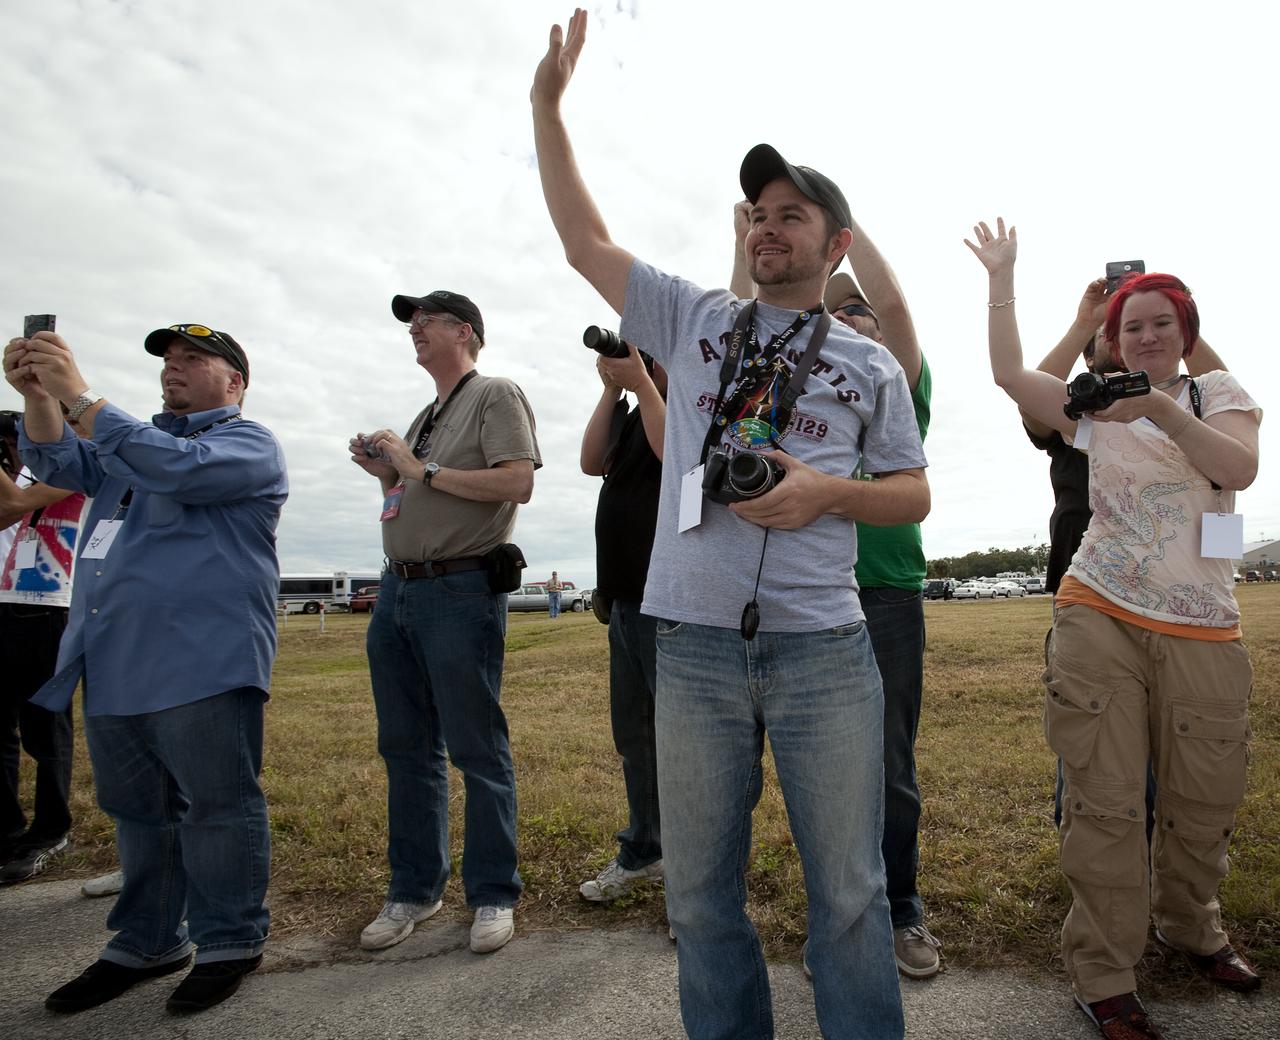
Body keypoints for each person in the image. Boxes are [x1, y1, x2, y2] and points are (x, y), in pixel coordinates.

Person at [533, 13, 929, 1038]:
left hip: (823, 649)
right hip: (693, 645)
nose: (766, 224)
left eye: (791, 212)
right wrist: (546, 106)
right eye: (756, 209)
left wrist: (824, 492)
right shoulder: (694, 318)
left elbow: (911, 495)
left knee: (846, 894)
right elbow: (582, 239)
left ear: (832, 242)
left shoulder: (869, 363)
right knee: (700, 897)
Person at [967, 218, 1262, 1040]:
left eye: (1162, 322)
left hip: (1203, 625)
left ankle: (1191, 925)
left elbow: (1235, 469)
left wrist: (1159, 412)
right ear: (1114, 340)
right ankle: (1104, 973)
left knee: (1203, 802)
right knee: (1104, 806)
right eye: (1131, 327)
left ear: (1188, 335)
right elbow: (1006, 375)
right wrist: (1003, 276)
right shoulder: (1092, 412)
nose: (1146, 335)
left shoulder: (1221, 397)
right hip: (1098, 609)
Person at [4, 322, 287, 1015]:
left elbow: (173, 468)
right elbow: (60, 462)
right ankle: (147, 941)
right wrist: (39, 394)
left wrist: (79, 394)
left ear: (236, 382)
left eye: (195, 359)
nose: (174, 369)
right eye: (168, 360)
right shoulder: (129, 447)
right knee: (138, 813)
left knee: (218, 809)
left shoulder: (247, 445)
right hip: (116, 659)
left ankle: (229, 941)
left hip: (204, 662)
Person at [732, 203, 941, 979]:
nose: (856, 322)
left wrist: (850, 226)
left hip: (882, 594)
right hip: (800, 600)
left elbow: (897, 308)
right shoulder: (794, 381)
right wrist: (740, 244)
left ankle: (900, 912)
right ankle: (840, 926)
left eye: (865, 315)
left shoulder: (894, 383)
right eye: (839, 312)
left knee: (886, 768)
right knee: (808, 778)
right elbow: (738, 325)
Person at [351, 289, 539, 956]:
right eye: (412, 325)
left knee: (476, 748)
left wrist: (415, 464)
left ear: (465, 331)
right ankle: (414, 889)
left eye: (426, 321)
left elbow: (516, 482)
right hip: (398, 593)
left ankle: (492, 893)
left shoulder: (495, 395)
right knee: (405, 747)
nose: (416, 331)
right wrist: (386, 474)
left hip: (459, 589)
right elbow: (417, 491)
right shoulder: (428, 413)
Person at [1026, 281, 1228, 832]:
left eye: (1152, 327)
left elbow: (1221, 389)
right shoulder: (1085, 406)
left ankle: (1164, 837)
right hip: (1094, 583)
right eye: (1116, 334)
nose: (1130, 342)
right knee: (1093, 721)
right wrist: (1083, 320)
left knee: (1180, 727)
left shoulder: (1194, 400)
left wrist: (1182, 322)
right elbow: (1029, 394)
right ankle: (1091, 829)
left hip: (1180, 583)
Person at [578, 341, 666, 903]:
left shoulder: (683, 403)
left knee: (680, 743)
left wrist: (646, 381)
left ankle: (692, 870)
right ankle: (644, 851)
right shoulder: (633, 414)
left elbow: (673, 451)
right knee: (634, 737)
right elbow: (590, 461)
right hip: (627, 603)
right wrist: (613, 388)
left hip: (669, 605)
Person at [0, 409, 86, 883]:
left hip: (50, 604)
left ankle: (51, 829)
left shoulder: (69, 470)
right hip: (6, 598)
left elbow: (13, 504)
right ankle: (7, 831)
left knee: (44, 728)